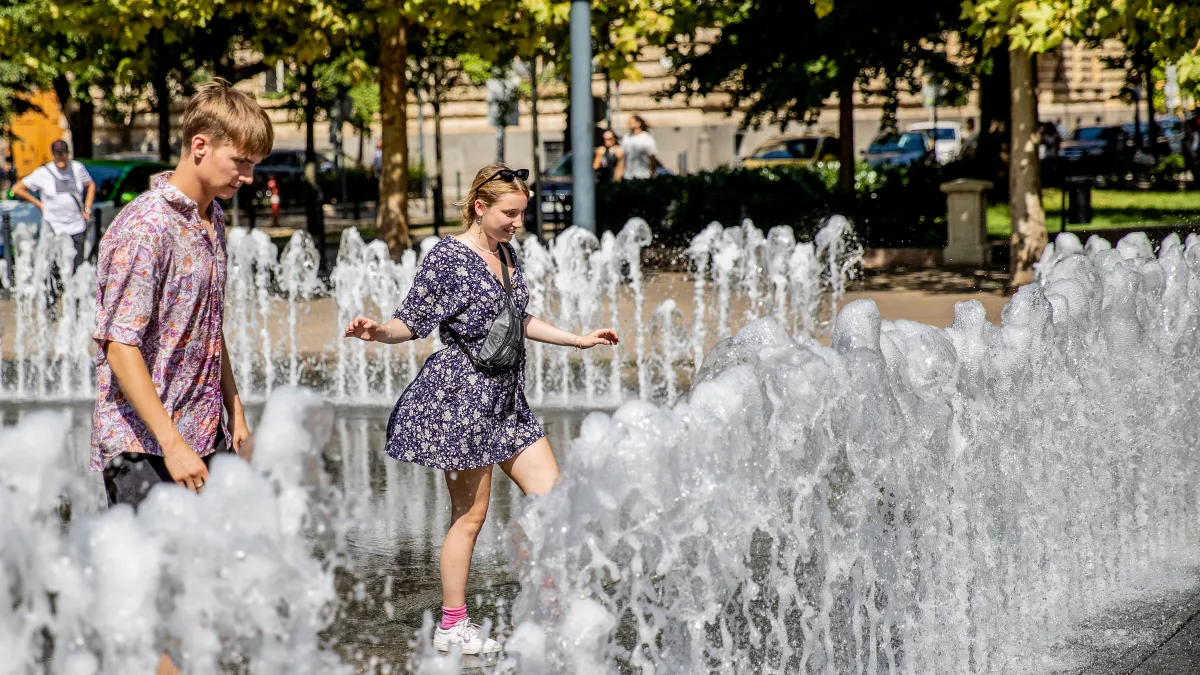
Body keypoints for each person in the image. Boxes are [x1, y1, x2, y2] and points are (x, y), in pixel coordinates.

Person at [343, 163, 619, 655]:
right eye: (509, 213)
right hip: (462, 399)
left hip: (507, 400)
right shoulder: (447, 257)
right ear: (480, 206)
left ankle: (553, 607)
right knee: (470, 517)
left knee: (554, 501)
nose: (517, 222)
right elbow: (413, 321)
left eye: (521, 213)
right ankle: (453, 625)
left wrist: (577, 338)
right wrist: (376, 332)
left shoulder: (508, 253)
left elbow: (519, 318)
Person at [91, 79, 271, 673]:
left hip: (200, 433)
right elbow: (122, 347)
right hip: (145, 445)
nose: (247, 176)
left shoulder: (210, 217)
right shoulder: (146, 229)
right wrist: (171, 444)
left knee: (201, 592)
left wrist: (234, 406)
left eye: (253, 164)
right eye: (239, 162)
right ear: (200, 145)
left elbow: (206, 323)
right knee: (160, 604)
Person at [12, 140, 96, 277]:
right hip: (54, 228)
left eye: (63, 153)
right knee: (55, 269)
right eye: (58, 154)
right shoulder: (42, 173)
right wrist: (39, 204)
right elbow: (17, 189)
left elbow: (90, 184)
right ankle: (58, 296)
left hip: (76, 226)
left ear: (68, 153)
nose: (61, 157)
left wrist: (87, 208)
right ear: (53, 155)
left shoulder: (77, 168)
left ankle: (75, 297)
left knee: (78, 269)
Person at [621, 114, 659, 180]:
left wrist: (653, 172)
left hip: (644, 175)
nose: (628, 124)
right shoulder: (626, 138)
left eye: (631, 122)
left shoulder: (647, 138)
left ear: (638, 123)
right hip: (628, 176)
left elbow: (652, 157)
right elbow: (623, 157)